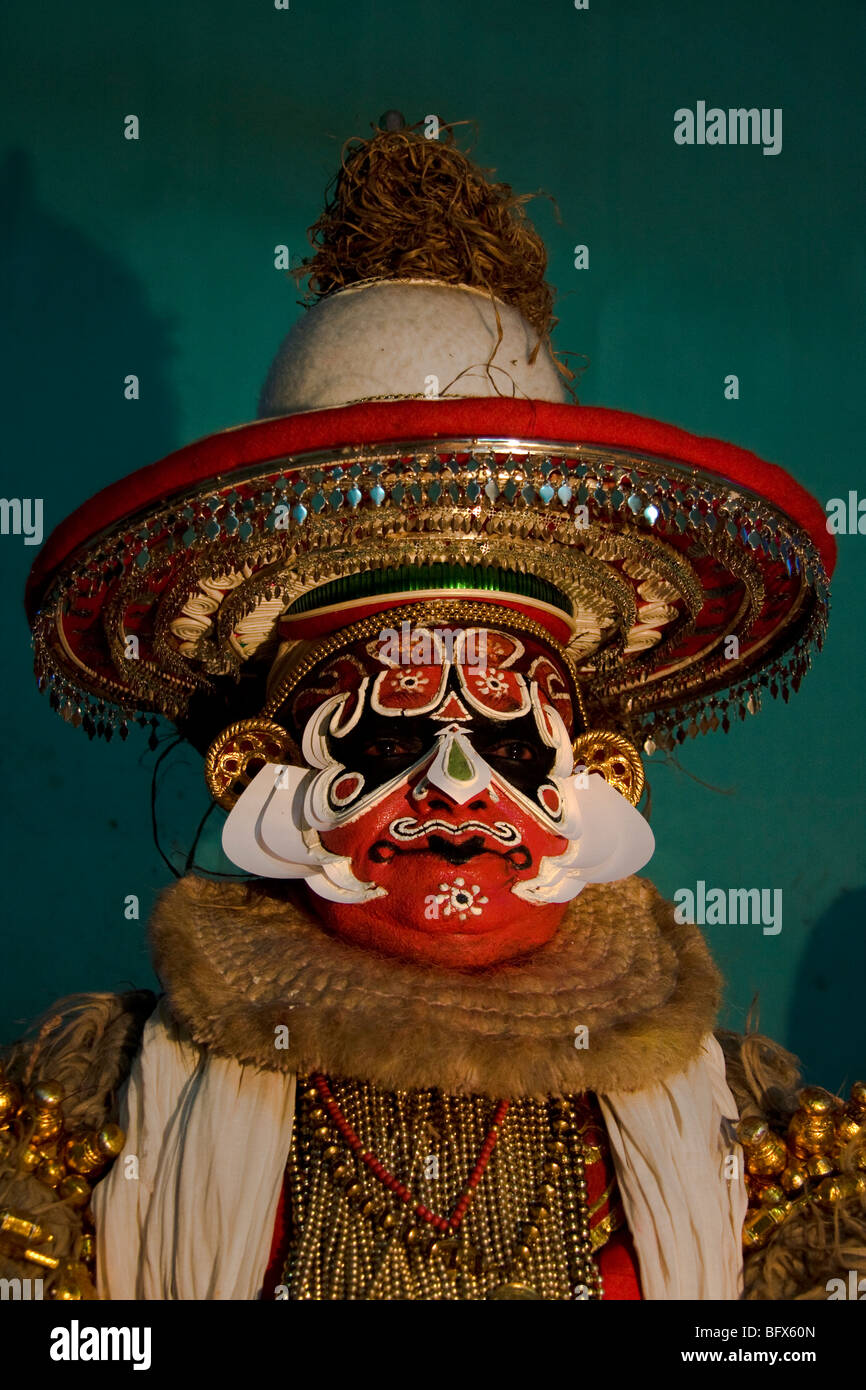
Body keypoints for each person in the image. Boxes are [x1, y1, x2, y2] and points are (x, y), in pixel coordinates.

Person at [1, 122, 863, 1301]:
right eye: (394, 732)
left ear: (594, 773)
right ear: (260, 765)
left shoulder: (748, 1149)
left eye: (509, 739)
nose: (459, 786)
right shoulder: (94, 1122)